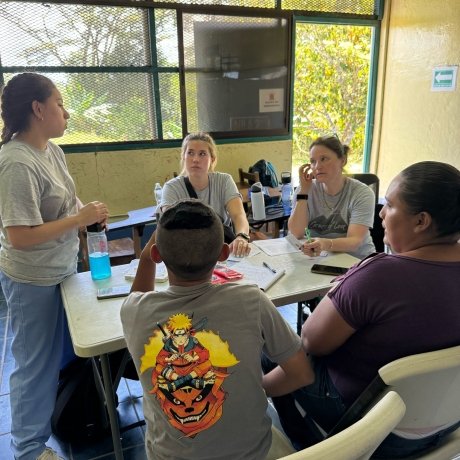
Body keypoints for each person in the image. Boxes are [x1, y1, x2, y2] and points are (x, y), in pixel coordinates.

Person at [271, 161, 460, 458]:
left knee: (272, 351)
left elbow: (311, 341)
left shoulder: (381, 275)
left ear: (421, 221)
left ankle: (307, 445)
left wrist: (347, 285)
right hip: (442, 423)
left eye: (391, 205)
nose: (382, 213)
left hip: (368, 425)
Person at [120, 199, 314, 460]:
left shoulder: (135, 311)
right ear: (224, 254)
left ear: (157, 255)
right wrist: (257, 387)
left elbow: (138, 296)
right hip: (253, 453)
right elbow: (302, 374)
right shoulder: (251, 300)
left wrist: (147, 255)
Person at [0, 73, 109, 460]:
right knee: (34, 365)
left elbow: (69, 200)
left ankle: (65, 418)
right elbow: (20, 236)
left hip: (61, 269)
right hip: (32, 279)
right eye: (60, 103)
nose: (66, 112)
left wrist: (87, 213)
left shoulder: (51, 150)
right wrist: (78, 221)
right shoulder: (15, 162)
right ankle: (27, 449)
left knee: (62, 355)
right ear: (38, 109)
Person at [160, 132, 251, 258]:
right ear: (183, 157)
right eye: (190, 153)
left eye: (202, 154)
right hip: (186, 252)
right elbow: (171, 225)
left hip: (221, 249)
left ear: (212, 159)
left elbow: (238, 215)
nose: (195, 159)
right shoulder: (171, 188)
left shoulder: (224, 181)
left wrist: (242, 236)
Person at [288, 135, 376, 259]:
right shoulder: (305, 189)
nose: (317, 166)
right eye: (313, 161)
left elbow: (354, 242)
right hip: (321, 258)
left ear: (343, 160)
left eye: (324, 159)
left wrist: (325, 244)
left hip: (356, 260)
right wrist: (304, 192)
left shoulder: (361, 193)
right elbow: (296, 233)